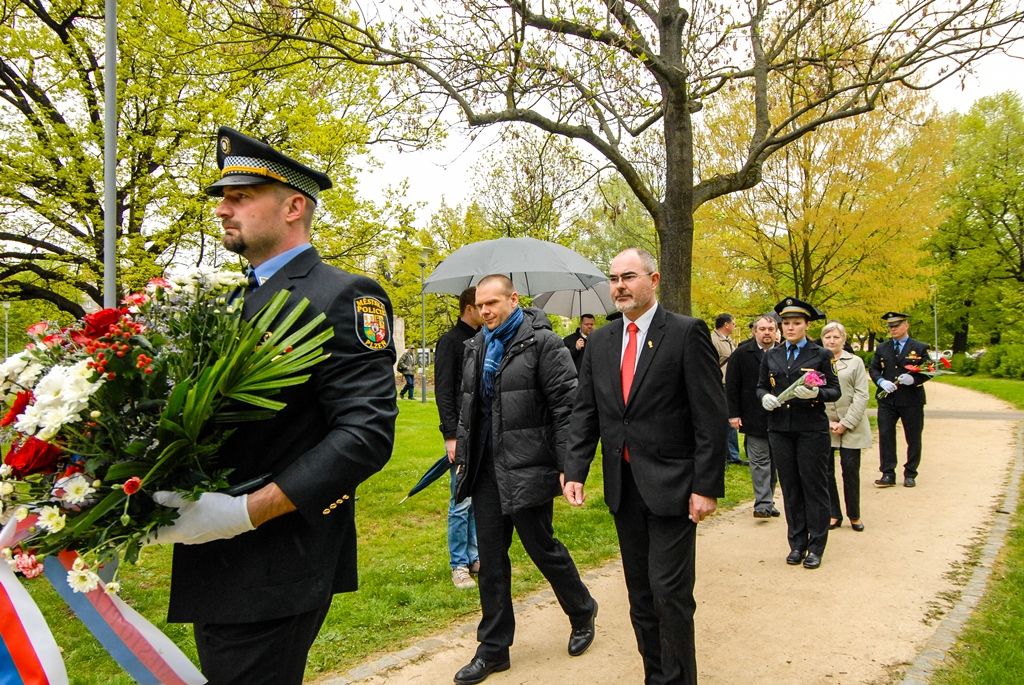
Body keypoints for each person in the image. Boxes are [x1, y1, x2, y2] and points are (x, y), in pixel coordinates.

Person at [150, 126, 397, 684]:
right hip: (213, 556)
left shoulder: (344, 295)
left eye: (240, 197)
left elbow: (365, 435)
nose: (223, 210)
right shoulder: (230, 299)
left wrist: (243, 512)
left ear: (293, 205)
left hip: (275, 559)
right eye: (221, 198)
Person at [564, 248, 727, 685]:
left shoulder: (686, 333)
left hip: (674, 486)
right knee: (640, 595)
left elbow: (709, 417)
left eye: (628, 276)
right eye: (613, 278)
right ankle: (655, 676)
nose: (619, 285)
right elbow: (587, 411)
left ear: (653, 281)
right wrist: (575, 468)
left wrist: (706, 485)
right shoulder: (600, 341)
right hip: (625, 487)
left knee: (669, 594)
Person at [452, 275, 598, 684]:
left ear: (514, 299)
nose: (485, 312)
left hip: (527, 466)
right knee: (493, 563)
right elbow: (472, 409)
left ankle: (582, 610)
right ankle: (493, 649)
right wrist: (463, 455)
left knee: (542, 548)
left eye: (493, 303)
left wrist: (571, 465)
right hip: (484, 471)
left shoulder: (543, 344)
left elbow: (566, 408)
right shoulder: (476, 347)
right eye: (480, 305)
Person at [757, 297, 840, 570]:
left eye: (797, 323)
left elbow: (834, 390)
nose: (791, 328)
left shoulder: (820, 355)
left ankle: (816, 545)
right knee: (790, 487)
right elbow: (761, 386)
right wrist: (764, 397)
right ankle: (796, 543)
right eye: (787, 323)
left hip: (810, 430)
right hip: (780, 428)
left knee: (813, 487)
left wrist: (817, 392)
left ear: (806, 326)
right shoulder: (772, 355)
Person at [434, 287, 483, 590]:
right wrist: (450, 435)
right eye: (482, 305)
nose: (486, 311)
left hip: (482, 430)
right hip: (460, 434)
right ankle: (459, 564)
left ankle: (475, 555)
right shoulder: (450, 342)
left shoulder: (483, 339)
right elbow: (444, 391)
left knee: (477, 499)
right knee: (460, 500)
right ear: (468, 307)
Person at [726, 314, 781, 518]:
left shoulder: (783, 353)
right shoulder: (741, 354)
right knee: (759, 461)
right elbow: (732, 386)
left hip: (780, 418)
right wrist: (733, 414)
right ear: (754, 331)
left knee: (775, 462)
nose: (767, 333)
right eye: (762, 329)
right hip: (752, 416)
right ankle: (763, 503)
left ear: (776, 332)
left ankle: (769, 499)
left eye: (770, 329)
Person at [869, 311, 931, 488]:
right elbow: (874, 369)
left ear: (906, 325)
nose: (893, 329)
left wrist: (914, 380)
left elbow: (929, 369)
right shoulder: (883, 348)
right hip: (888, 400)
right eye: (890, 326)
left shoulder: (919, 347)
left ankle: (910, 472)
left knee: (913, 436)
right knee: (886, 435)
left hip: (911, 399)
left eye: (896, 325)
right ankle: (888, 472)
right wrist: (881, 381)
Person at [820, 321, 871, 532]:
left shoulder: (855, 362)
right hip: (826, 424)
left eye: (836, 337)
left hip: (852, 425)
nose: (832, 341)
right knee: (826, 471)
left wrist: (846, 422)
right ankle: (833, 513)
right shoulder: (816, 361)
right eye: (828, 337)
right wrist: (827, 421)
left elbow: (862, 394)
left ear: (844, 339)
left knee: (850, 470)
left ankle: (854, 514)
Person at [713, 313, 745, 466]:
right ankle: (724, 455)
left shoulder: (729, 341)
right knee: (722, 420)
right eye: (733, 323)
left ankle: (733, 455)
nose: (734, 326)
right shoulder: (713, 340)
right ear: (726, 324)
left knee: (730, 419)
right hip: (719, 385)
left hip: (729, 384)